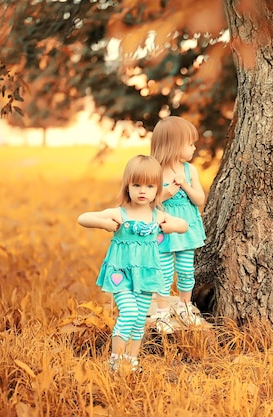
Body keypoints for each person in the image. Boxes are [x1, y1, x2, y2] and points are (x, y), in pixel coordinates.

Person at [78, 155, 188, 372]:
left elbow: (183, 225)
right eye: (136, 185)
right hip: (121, 272)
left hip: (146, 275)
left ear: (158, 189)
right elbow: (83, 217)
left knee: (139, 319)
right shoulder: (120, 214)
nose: (142, 191)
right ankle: (115, 360)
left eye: (149, 186)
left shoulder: (158, 216)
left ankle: (132, 360)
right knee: (128, 312)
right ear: (127, 186)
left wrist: (171, 227)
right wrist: (103, 223)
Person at [150, 116, 206, 333]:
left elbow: (200, 200)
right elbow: (143, 201)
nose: (194, 147)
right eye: (190, 143)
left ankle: (185, 305)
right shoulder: (154, 170)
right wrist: (162, 196)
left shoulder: (189, 171)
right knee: (163, 270)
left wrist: (186, 186)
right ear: (173, 145)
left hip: (185, 227)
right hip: (163, 227)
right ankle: (162, 311)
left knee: (185, 270)